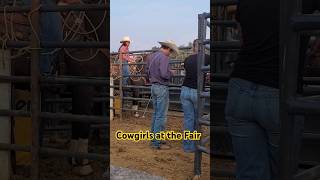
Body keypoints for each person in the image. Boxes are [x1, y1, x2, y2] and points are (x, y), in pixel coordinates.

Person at [224, 0, 280, 179]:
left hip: (240, 84)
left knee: (249, 170)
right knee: (282, 168)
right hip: (278, 86)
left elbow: (242, 36)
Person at [146, 40, 179, 150]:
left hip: (153, 86)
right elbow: (164, 74)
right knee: (161, 115)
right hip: (161, 87)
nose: (170, 53)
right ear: (168, 48)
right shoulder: (164, 57)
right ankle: (156, 142)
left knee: (156, 114)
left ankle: (154, 139)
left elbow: (148, 72)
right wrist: (171, 73)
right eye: (171, 51)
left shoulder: (152, 56)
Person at [180, 39, 209, 153]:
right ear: (203, 46)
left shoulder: (187, 59)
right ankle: (197, 144)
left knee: (188, 119)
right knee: (198, 119)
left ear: (194, 47)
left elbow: (189, 72)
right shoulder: (206, 57)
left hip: (185, 89)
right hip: (197, 92)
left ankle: (188, 146)